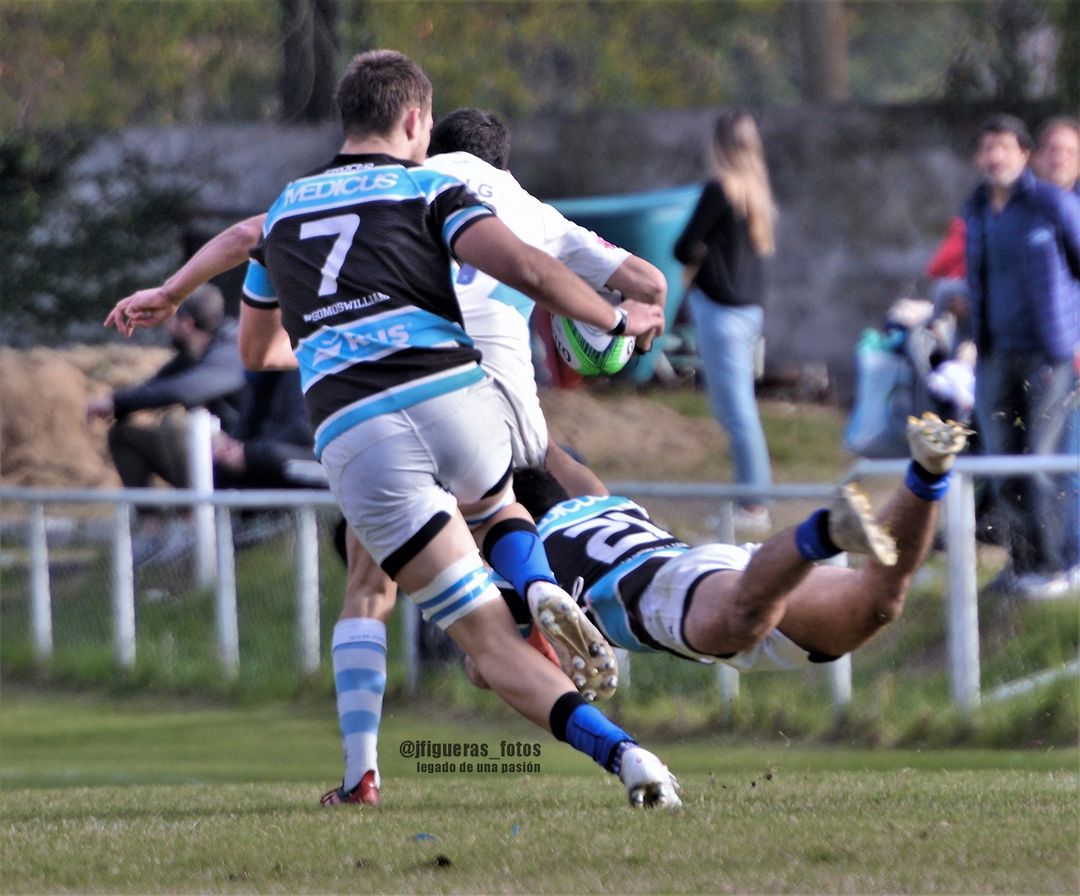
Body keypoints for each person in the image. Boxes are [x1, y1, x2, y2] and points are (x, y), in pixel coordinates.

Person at [109, 50, 678, 810]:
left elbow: (254, 345)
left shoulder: (287, 208)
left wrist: (172, 291)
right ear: (415, 120)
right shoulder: (429, 186)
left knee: (471, 634)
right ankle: (542, 588)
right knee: (499, 502)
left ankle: (616, 755)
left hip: (357, 432)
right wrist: (617, 319)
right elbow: (533, 275)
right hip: (453, 397)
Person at [465, 414, 970, 688]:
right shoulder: (599, 497)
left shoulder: (516, 564)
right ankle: (927, 475)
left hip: (664, 596)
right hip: (720, 568)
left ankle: (822, 534)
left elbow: (485, 667)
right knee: (877, 602)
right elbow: (548, 444)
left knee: (742, 617)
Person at [960, 114, 1080, 600]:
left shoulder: (1050, 203)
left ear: (1024, 155)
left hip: (1047, 356)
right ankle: (1022, 565)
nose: (995, 157)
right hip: (994, 355)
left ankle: (1053, 568)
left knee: (1042, 464)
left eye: (1005, 147)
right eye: (987, 148)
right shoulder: (977, 210)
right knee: (999, 464)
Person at [88, 284, 248, 562]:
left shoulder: (232, 348)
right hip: (215, 458)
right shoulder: (192, 353)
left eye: (170, 316)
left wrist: (119, 401)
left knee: (177, 426)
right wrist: (119, 404)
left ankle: (194, 523)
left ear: (186, 323)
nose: (165, 324)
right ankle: (153, 528)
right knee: (125, 434)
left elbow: (187, 390)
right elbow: (154, 388)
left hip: (244, 460)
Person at [673, 109, 777, 535]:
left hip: (720, 312)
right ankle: (752, 499)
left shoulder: (719, 189)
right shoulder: (758, 193)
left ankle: (754, 506)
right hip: (750, 311)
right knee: (740, 410)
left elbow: (683, 247)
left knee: (736, 413)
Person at [1032, 116, 1080, 592]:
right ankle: (1042, 560)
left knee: (1071, 459)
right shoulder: (1027, 208)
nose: (1058, 158)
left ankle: (1073, 558)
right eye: (1051, 149)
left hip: (1072, 356)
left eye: (1068, 150)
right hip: (1037, 359)